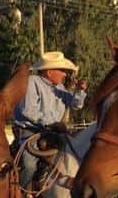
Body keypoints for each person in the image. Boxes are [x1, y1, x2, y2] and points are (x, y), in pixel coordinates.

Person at [12, 51, 87, 187]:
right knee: (29, 165)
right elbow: (28, 110)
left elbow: (76, 105)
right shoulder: (32, 82)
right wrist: (52, 123)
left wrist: (79, 91)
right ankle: (23, 193)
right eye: (62, 70)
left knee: (75, 154)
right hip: (30, 132)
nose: (65, 74)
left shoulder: (59, 88)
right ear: (49, 72)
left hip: (52, 132)